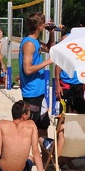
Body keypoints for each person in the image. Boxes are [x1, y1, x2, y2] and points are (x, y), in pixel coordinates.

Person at [19, 12, 56, 153]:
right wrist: (47, 62)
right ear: (39, 26)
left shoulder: (35, 42)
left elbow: (50, 48)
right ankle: (24, 156)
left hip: (39, 91)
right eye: (44, 23)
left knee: (43, 125)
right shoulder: (29, 43)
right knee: (30, 127)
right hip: (32, 91)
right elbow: (27, 69)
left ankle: (45, 157)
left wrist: (51, 33)